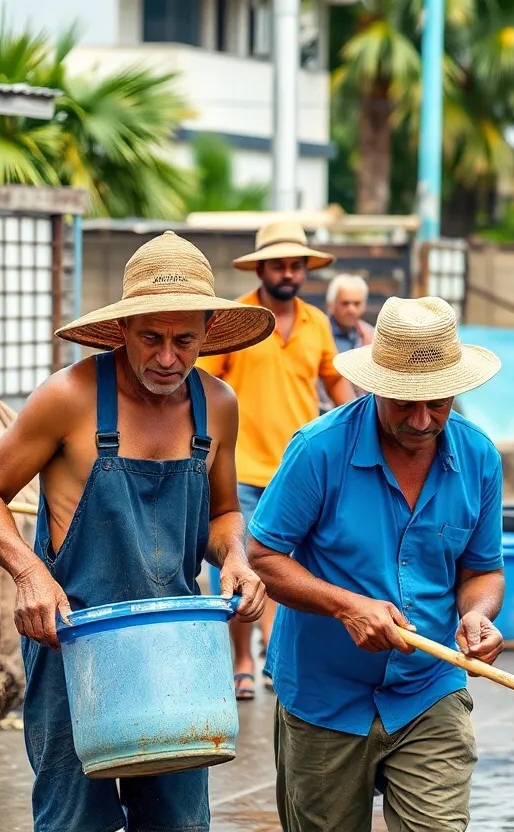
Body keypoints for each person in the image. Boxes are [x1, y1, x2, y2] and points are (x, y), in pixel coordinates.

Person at [0, 231, 270, 832]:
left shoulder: (218, 404)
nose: (167, 358)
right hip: (75, 642)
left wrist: (236, 557)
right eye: (151, 337)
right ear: (123, 328)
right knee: (76, 821)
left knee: (178, 822)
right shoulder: (68, 397)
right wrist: (30, 574)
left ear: (208, 330)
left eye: (184, 340)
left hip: (176, 647)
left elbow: (225, 513)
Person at [247, 296, 505, 832]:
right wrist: (346, 606)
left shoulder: (479, 457)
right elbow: (264, 557)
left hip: (429, 688)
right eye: (405, 404)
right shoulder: (318, 449)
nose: (422, 420)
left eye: (437, 403)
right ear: (376, 386)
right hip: (324, 695)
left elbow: (483, 571)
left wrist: (477, 615)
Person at [196, 220, 355, 700]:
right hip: (239, 466)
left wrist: (357, 428)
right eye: (279, 265)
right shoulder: (236, 320)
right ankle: (243, 661)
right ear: (260, 269)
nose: (288, 273)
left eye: (296, 265)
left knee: (292, 568)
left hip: (300, 471)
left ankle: (276, 655)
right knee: (238, 564)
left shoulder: (317, 323)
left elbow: (335, 382)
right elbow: (203, 385)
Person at [318, 273, 375, 413]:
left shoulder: (371, 336)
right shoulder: (316, 332)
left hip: (360, 415)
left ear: (364, 305)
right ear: (331, 304)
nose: (351, 309)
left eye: (357, 303)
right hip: (321, 415)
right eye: (345, 303)